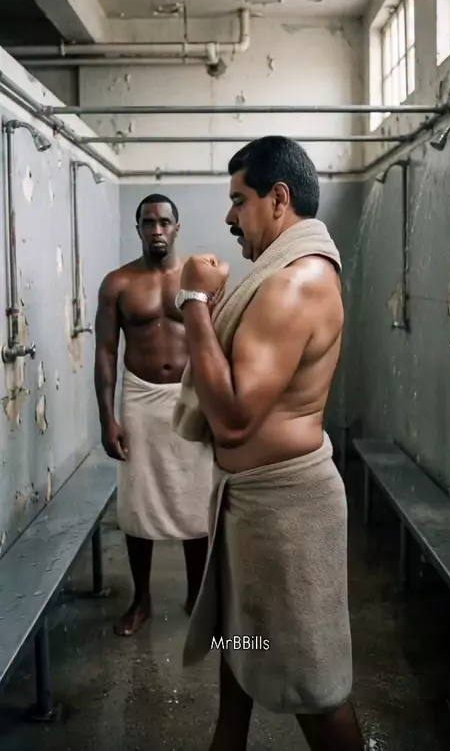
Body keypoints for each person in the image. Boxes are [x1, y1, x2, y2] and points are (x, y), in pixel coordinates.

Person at [172, 137, 364, 751]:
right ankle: (226, 740)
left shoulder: (296, 283)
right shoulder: (281, 277)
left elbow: (233, 421)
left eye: (239, 200)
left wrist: (193, 302)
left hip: (288, 512)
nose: (230, 217)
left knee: (314, 681)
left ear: (278, 199)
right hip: (252, 505)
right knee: (240, 643)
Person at [94, 193, 214, 636]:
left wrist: (218, 408)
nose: (157, 229)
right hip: (140, 400)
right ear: (139, 229)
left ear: (177, 228)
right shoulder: (118, 283)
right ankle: (141, 599)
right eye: (149, 222)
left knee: (196, 499)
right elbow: (106, 353)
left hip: (190, 397)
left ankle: (197, 595)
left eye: (165, 222)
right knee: (138, 502)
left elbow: (217, 345)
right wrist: (107, 418)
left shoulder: (200, 279)